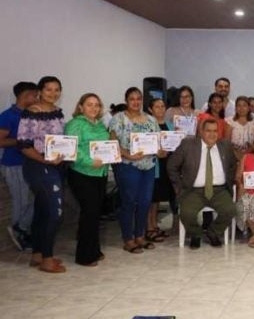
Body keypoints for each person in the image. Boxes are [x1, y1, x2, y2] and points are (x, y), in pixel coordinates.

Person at [17, 76, 66, 273]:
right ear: (40, 91)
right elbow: (24, 146)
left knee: (43, 211)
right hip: (38, 166)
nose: (53, 94)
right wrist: (45, 160)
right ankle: (47, 258)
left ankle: (38, 254)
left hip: (56, 166)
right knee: (56, 212)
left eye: (57, 90)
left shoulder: (57, 112)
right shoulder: (32, 112)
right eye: (48, 90)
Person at [168, 119, 237, 249]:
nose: (212, 134)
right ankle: (196, 234)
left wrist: (230, 181)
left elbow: (233, 165)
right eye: (208, 131)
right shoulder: (188, 145)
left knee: (230, 210)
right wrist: (178, 186)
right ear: (201, 132)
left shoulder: (226, 146)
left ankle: (213, 233)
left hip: (219, 190)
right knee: (186, 213)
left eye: (215, 131)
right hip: (193, 191)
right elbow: (172, 166)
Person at [109, 87, 162, 254]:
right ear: (126, 100)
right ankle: (128, 239)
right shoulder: (118, 119)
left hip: (148, 165)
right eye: (132, 99)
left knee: (145, 201)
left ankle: (140, 235)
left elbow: (158, 142)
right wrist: (129, 156)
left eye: (139, 98)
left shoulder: (150, 120)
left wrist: (161, 150)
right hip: (127, 165)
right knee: (129, 201)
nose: (136, 102)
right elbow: (113, 143)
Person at [64, 93, 109, 266]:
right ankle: (84, 256)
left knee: (95, 213)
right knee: (89, 213)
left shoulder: (100, 125)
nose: (93, 108)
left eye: (97, 105)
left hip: (100, 174)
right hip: (82, 174)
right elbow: (72, 149)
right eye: (89, 105)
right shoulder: (75, 124)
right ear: (81, 107)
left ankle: (94, 250)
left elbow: (106, 146)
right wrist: (90, 161)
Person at [0, 81, 38, 250]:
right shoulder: (8, 115)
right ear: (25, 95)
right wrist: (21, 141)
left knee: (37, 199)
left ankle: (21, 228)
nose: (36, 98)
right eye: (34, 95)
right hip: (14, 164)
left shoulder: (31, 115)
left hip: (31, 163)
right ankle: (19, 232)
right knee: (21, 201)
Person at [146, 99, 176, 243]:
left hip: (166, 165)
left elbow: (173, 144)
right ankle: (149, 228)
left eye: (163, 106)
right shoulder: (148, 125)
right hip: (153, 165)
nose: (160, 109)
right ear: (150, 109)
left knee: (157, 198)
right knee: (151, 197)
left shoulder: (169, 125)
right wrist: (156, 152)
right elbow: (144, 144)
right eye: (156, 106)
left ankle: (155, 225)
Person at [226, 96, 254, 161]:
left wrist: (245, 154)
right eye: (239, 105)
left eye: (244, 105)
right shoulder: (230, 121)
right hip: (233, 154)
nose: (241, 108)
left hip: (252, 153)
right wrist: (237, 155)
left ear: (248, 108)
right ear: (235, 108)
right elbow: (227, 142)